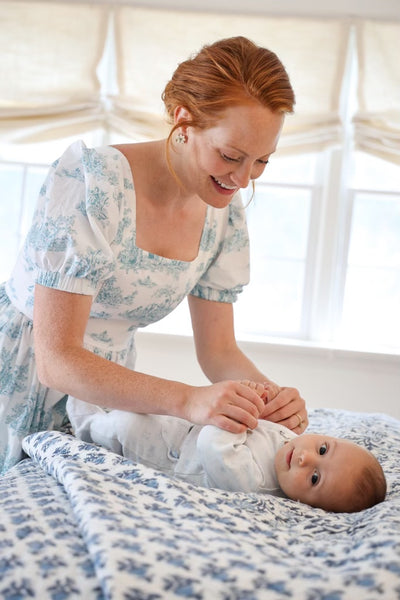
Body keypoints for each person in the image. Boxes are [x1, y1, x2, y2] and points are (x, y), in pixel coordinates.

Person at [0, 36, 308, 475]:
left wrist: (272, 398)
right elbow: (58, 360)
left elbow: (219, 352)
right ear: (184, 120)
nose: (243, 179)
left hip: (108, 398)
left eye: (262, 161)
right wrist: (188, 400)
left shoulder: (224, 216)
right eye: (230, 155)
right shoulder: (93, 183)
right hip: (20, 377)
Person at [67, 382, 386, 513]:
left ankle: (85, 426)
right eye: (324, 450)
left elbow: (213, 444)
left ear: (307, 504)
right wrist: (259, 399)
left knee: (125, 426)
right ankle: (95, 398)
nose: (304, 457)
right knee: (141, 406)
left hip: (166, 453)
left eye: (315, 478)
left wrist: (243, 415)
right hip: (183, 425)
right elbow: (265, 425)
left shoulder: (254, 481)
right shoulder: (291, 446)